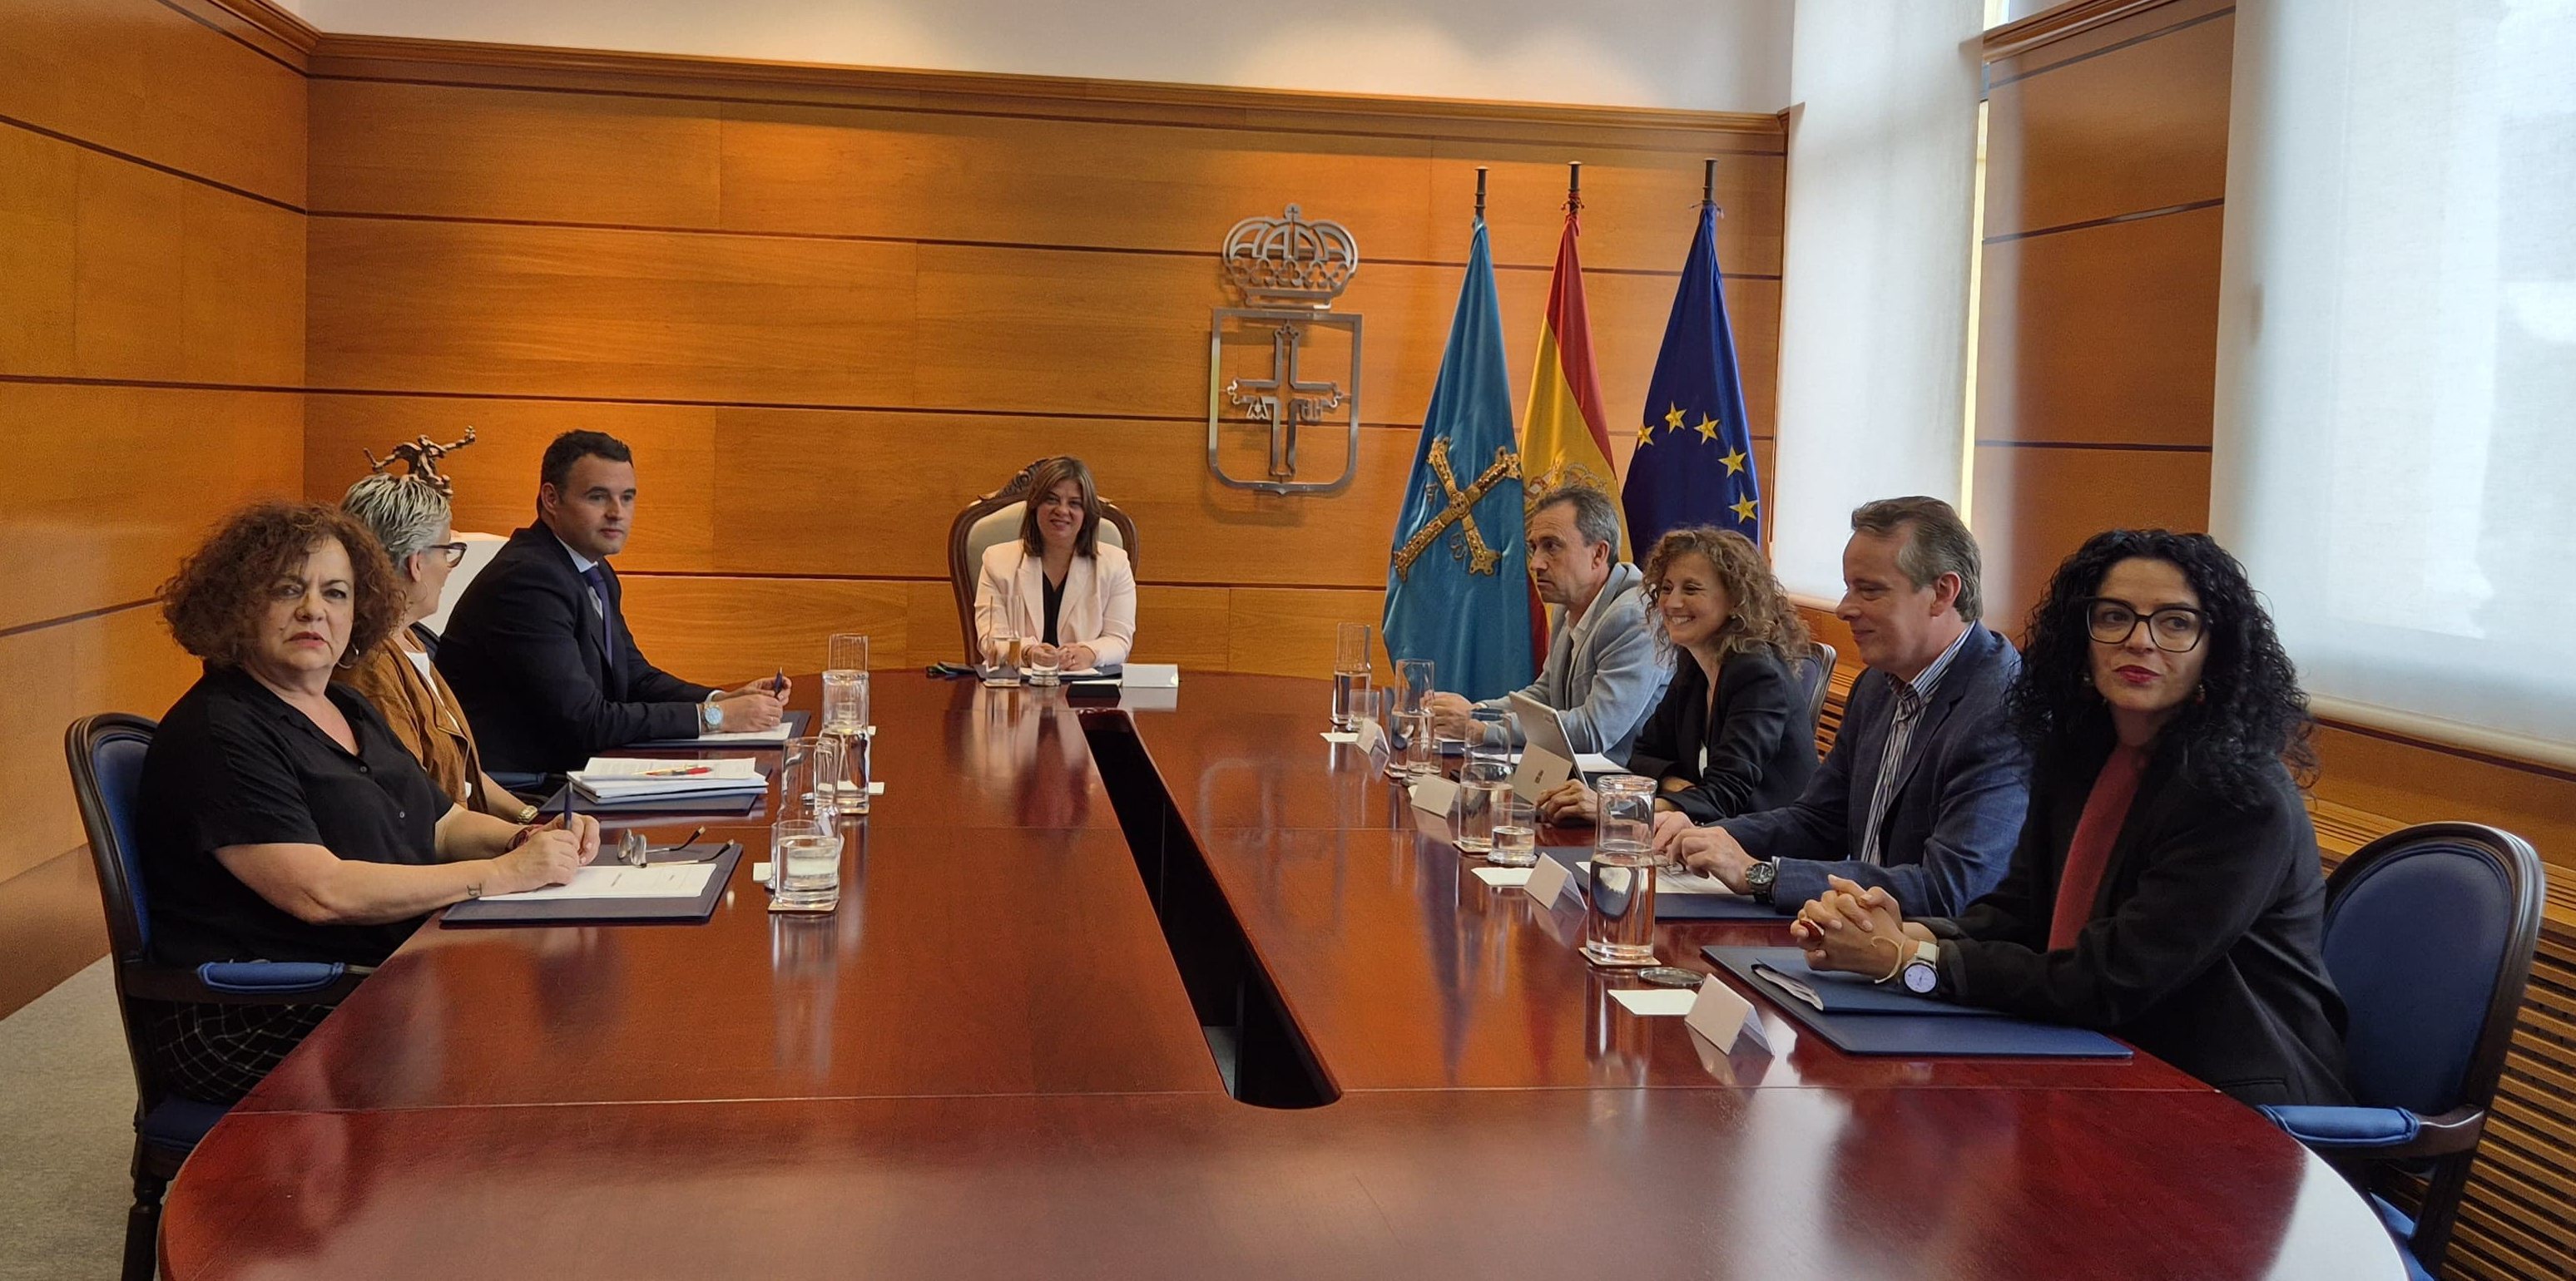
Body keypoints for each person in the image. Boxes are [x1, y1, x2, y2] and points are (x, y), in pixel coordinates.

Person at [1789, 530, 2351, 1107]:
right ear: (2080, 636)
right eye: (2114, 617)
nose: (2140, 641)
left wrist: (1909, 961)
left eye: (2176, 623)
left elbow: (2112, 978)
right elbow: (2021, 914)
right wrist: (1899, 931)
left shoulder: (2240, 796)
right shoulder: (2080, 755)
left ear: (2216, 648)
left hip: (2227, 1100)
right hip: (2090, 1056)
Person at [138, 501, 602, 1102]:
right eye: (287, 589)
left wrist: (527, 835)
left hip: (376, 972)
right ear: (237, 604)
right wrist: (501, 874)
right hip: (263, 1009)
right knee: (516, 1062)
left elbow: (442, 825)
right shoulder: (220, 732)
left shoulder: (347, 705)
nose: (314, 609)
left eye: (336, 593)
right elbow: (320, 892)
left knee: (560, 1020)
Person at [1658, 497, 2026, 917]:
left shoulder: (2001, 706)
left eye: (1869, 590)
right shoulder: (1876, 686)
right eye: (1849, 587)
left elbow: (1949, 889)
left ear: (1942, 593)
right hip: (1845, 927)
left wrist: (1762, 875)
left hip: (1920, 947)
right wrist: (1705, 834)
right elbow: (1819, 821)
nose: (1844, 608)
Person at [437, 430, 786, 775]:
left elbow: (635, 678)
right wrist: (716, 719)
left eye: (627, 498)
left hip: (568, 770)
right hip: (520, 789)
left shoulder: (593, 570)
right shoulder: (528, 581)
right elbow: (585, 721)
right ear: (551, 499)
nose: (617, 512)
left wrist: (718, 700)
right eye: (598, 497)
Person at [1533, 527, 1814, 827]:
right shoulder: (1693, 663)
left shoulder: (1758, 674)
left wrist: (1613, 807)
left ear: (1736, 600)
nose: (1671, 603)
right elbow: (1642, 755)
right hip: (1705, 833)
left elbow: (1726, 796)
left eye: (1691, 589)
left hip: (1769, 843)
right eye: (1666, 588)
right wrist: (1673, 783)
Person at [337, 473, 537, 821]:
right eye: (448, 551)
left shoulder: (411, 639)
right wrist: (518, 839)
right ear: (416, 563)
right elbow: (420, 811)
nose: (449, 567)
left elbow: (464, 774)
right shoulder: (370, 669)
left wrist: (530, 818)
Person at [1423, 482, 1664, 763]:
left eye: (1552, 546)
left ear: (1598, 554)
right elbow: (1546, 695)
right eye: (1534, 547)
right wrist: (1476, 712)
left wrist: (1484, 731)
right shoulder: (1567, 606)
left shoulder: (1635, 617)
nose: (1535, 563)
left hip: (1623, 781)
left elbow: (1594, 731)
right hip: (1573, 775)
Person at [974, 456, 1137, 670]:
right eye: (1051, 500)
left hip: (1084, 687)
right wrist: (1026, 653)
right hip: (1017, 685)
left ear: (1086, 514)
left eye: (1074, 503)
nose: (1062, 510)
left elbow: (1119, 640)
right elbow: (990, 640)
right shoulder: (997, 561)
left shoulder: (1115, 564)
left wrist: (1089, 653)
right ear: (1035, 505)